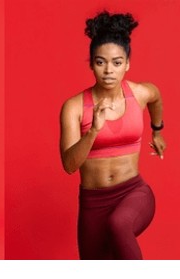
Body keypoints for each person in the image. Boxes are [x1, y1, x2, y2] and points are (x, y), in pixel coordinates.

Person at [59, 11, 162, 260]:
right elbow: (69, 166)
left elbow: (156, 96)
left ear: (127, 64)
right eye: (100, 62)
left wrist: (158, 131)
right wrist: (93, 130)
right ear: (92, 64)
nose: (108, 70)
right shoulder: (74, 107)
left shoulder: (138, 93)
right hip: (93, 203)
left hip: (133, 193)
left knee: (119, 224)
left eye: (117, 62)